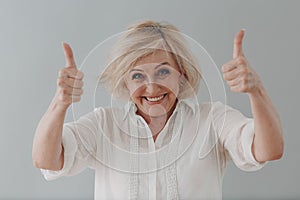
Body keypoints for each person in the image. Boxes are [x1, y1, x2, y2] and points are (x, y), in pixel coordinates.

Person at [32, 21, 284, 200]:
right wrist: (60, 103)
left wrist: (256, 91)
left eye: (163, 71)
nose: (152, 87)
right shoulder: (103, 124)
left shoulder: (212, 119)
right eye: (137, 76)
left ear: (182, 75)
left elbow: (268, 150)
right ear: (125, 82)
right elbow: (47, 160)